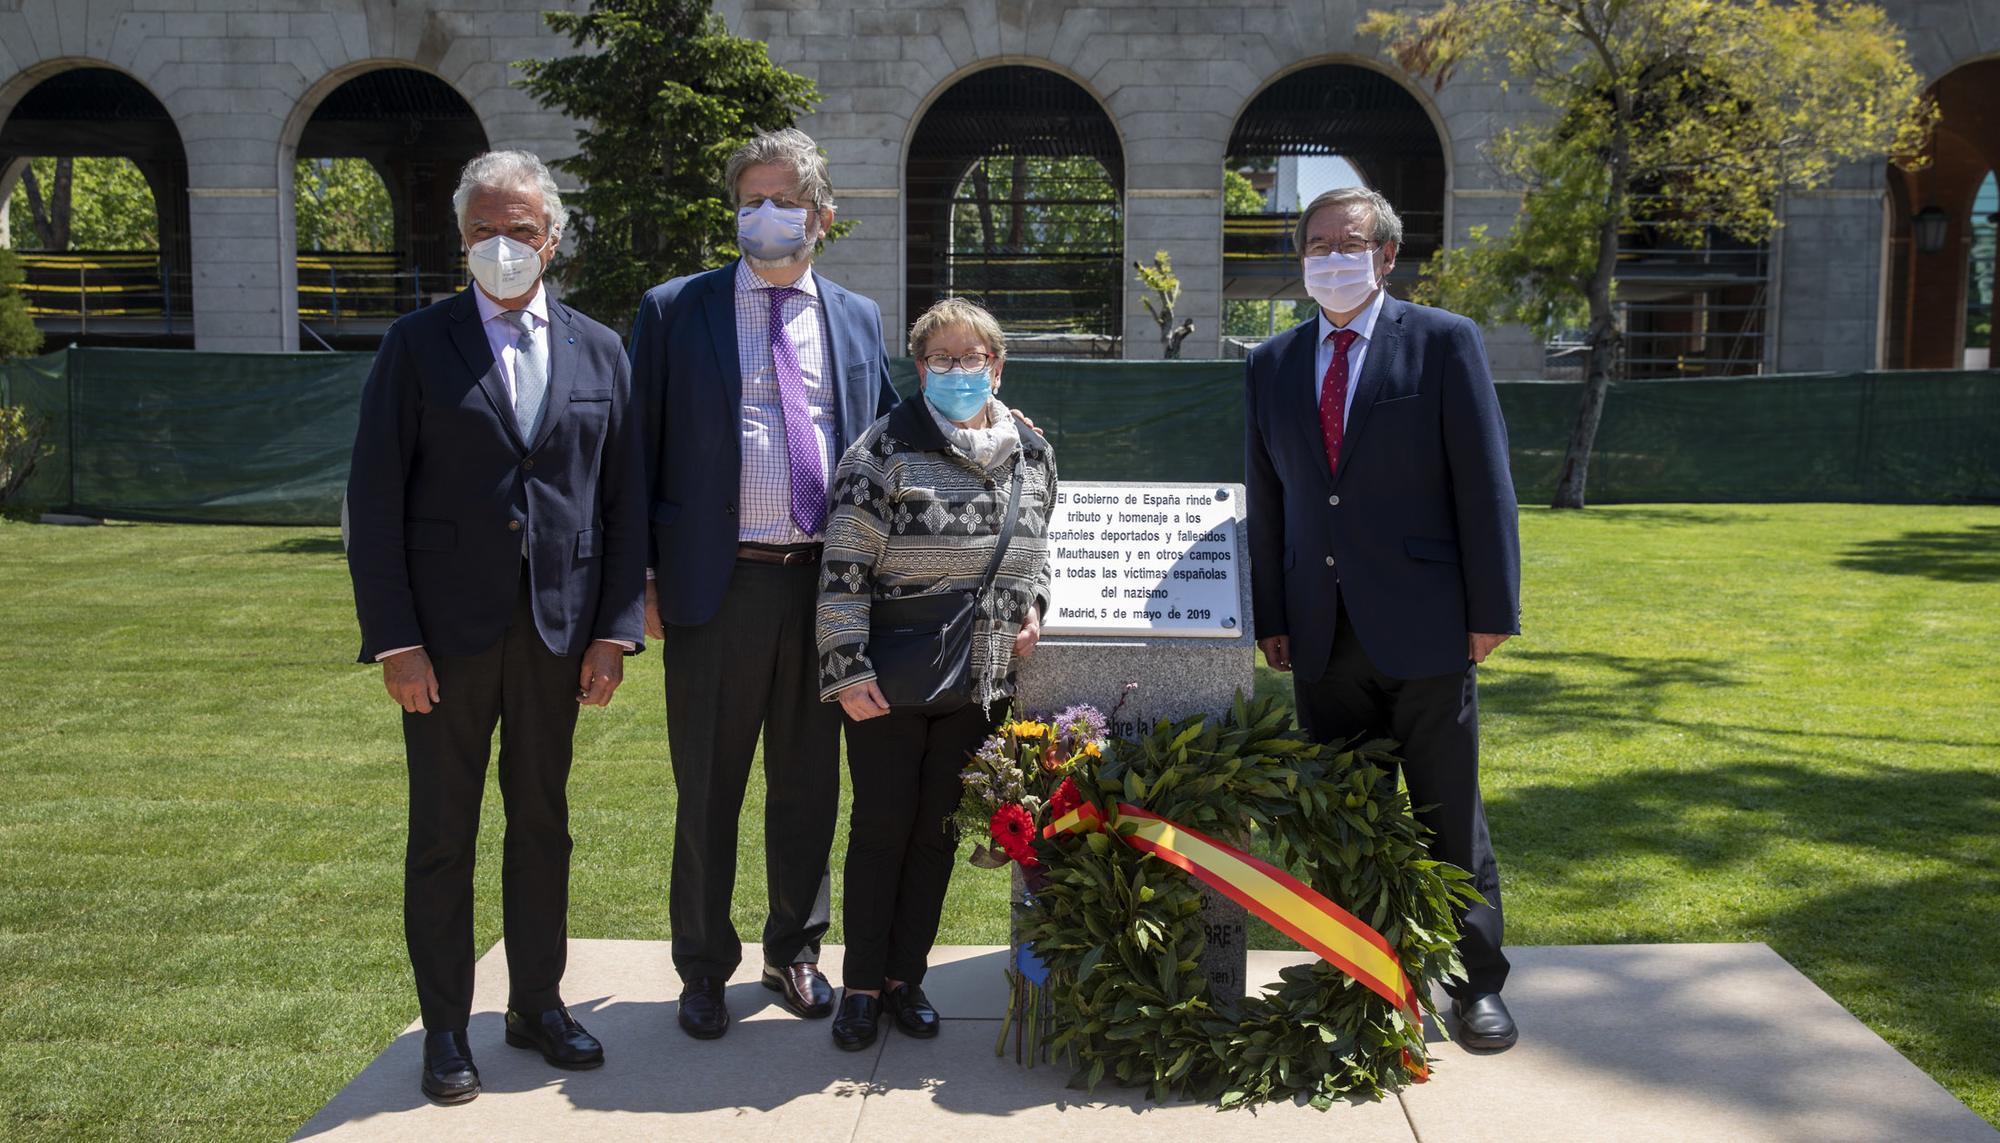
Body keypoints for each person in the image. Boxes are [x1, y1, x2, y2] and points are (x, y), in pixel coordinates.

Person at [345, 150, 647, 1103]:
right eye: (486, 230)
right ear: (462, 239)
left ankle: (537, 1004)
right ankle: (445, 1029)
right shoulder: (416, 343)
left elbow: (623, 502)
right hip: (441, 639)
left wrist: (615, 631)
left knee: (543, 823)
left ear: (552, 238)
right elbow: (374, 497)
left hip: (559, 635)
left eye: (522, 230)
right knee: (442, 832)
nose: (504, 247)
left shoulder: (602, 349)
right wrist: (396, 641)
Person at [626, 128, 899, 1039]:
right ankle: (703, 965)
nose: (765, 213)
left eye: (784, 198)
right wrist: (645, 582)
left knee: (808, 782)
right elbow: (636, 455)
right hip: (717, 585)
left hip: (825, 589)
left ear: (821, 215)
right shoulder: (674, 310)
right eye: (751, 197)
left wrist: (988, 417)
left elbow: (890, 439)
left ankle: (795, 948)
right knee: (707, 786)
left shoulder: (856, 317)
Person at [1243, 186, 1523, 1051]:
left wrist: (1491, 609)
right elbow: (1272, 498)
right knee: (1345, 814)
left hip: (1429, 625)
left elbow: (1484, 481)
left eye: (1350, 241)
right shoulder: (1271, 362)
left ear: (1387, 254)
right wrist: (1272, 612)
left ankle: (1474, 980)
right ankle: (1359, 973)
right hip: (1322, 634)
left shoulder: (1445, 342)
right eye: (1317, 243)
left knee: (1447, 809)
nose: (1333, 256)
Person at [816, 297, 1055, 1050]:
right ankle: (860, 984)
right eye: (942, 359)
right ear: (918, 368)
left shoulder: (1035, 451)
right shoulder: (880, 449)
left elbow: (1043, 542)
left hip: (983, 678)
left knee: (937, 832)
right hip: (887, 675)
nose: (958, 371)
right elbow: (844, 567)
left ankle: (904, 978)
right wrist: (845, 668)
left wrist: (1035, 604)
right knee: (882, 828)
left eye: (972, 358)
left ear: (998, 365)